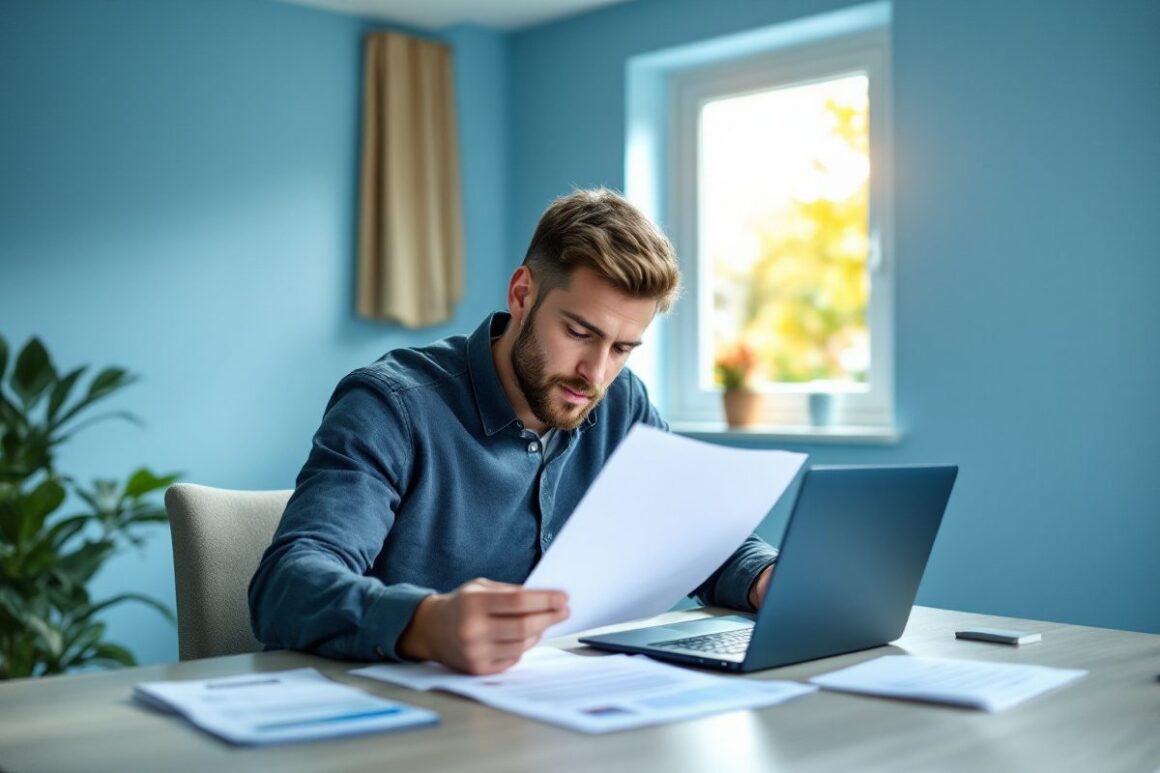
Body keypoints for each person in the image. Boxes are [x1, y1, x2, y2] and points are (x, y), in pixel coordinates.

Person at [248, 188, 778, 675]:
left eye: (621, 349)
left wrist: (765, 578)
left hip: (566, 714)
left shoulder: (623, 404)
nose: (595, 374)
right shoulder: (393, 405)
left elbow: (693, 537)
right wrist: (425, 624)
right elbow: (287, 587)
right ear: (523, 293)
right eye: (578, 332)